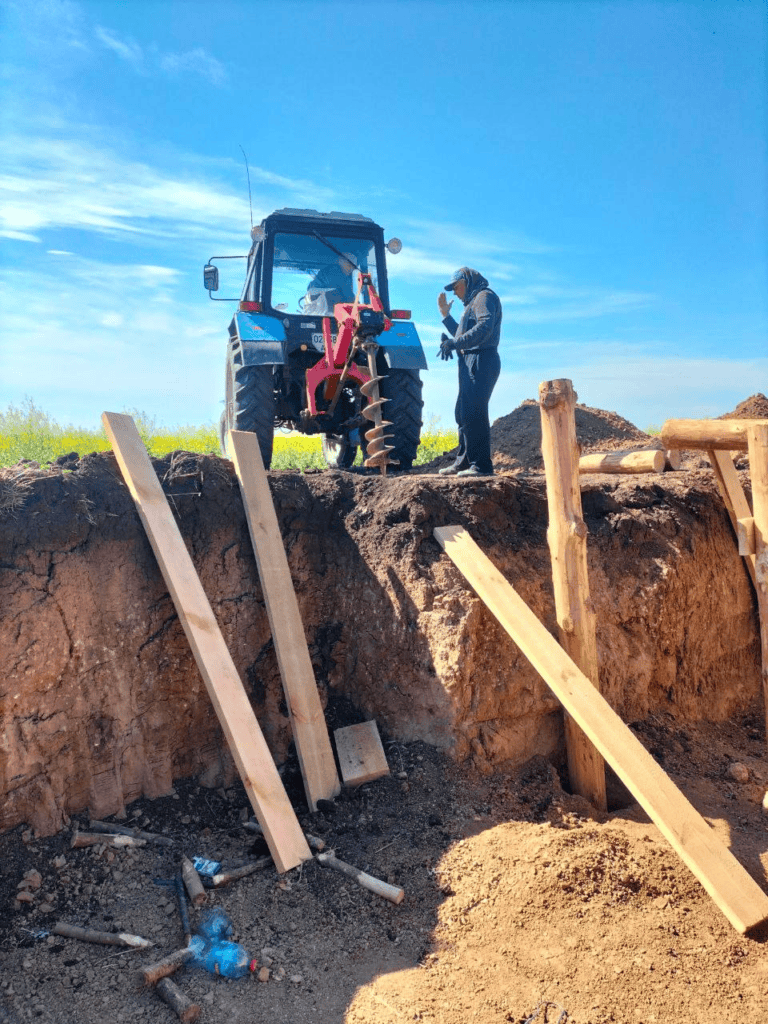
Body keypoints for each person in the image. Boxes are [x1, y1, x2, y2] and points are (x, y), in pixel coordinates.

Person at [436, 267, 502, 477]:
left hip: (482, 359)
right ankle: (465, 461)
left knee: (475, 412)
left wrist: (454, 343)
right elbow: (462, 333)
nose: (455, 292)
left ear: (467, 281)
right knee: (463, 412)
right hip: (471, 360)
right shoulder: (472, 303)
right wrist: (446, 317)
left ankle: (481, 466)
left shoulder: (484, 297)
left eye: (456, 287)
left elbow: (485, 327)